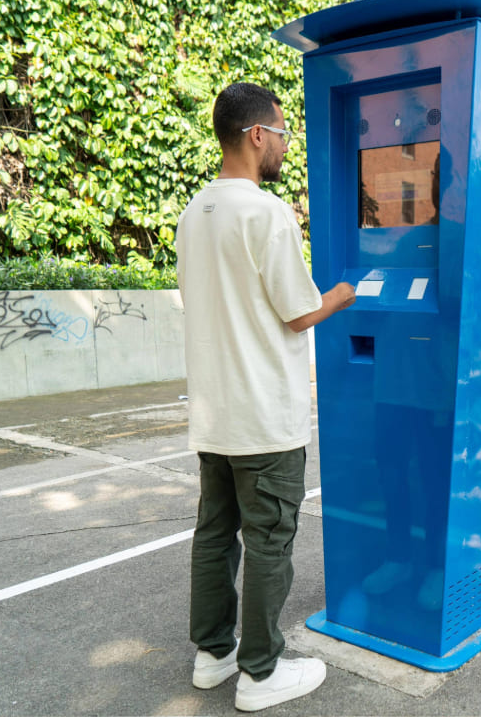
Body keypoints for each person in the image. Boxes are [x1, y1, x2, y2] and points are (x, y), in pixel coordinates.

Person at [175, 82, 355, 712]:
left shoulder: (194, 212)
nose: (284, 145)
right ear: (257, 135)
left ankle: (213, 655)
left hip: (215, 414)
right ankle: (259, 672)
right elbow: (299, 311)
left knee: (216, 535)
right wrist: (341, 294)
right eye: (281, 133)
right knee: (270, 541)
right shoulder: (267, 212)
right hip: (265, 418)